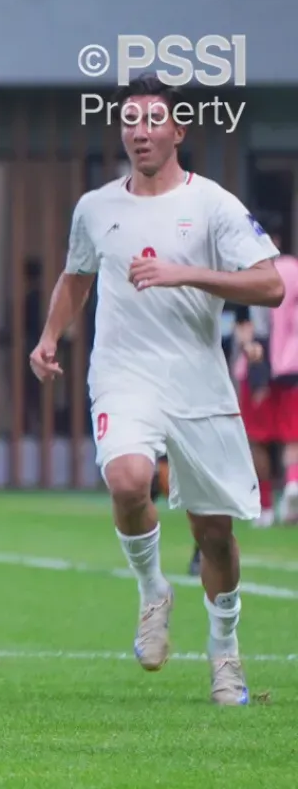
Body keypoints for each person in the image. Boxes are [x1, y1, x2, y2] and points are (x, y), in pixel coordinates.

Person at [29, 75, 284, 705]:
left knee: (214, 534)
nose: (139, 131)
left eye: (152, 120)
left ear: (178, 131)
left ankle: (225, 655)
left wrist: (184, 274)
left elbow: (271, 285)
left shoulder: (214, 205)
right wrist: (49, 337)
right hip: (123, 372)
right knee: (127, 478)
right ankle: (152, 591)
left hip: (197, 379)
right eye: (130, 120)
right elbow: (75, 278)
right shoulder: (95, 207)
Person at [231, 234, 298, 526]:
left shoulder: (244, 274)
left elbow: (243, 326)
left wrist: (249, 351)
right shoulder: (293, 269)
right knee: (291, 435)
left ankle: (267, 506)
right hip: (291, 365)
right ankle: (293, 484)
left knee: (258, 439)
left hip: (257, 366)